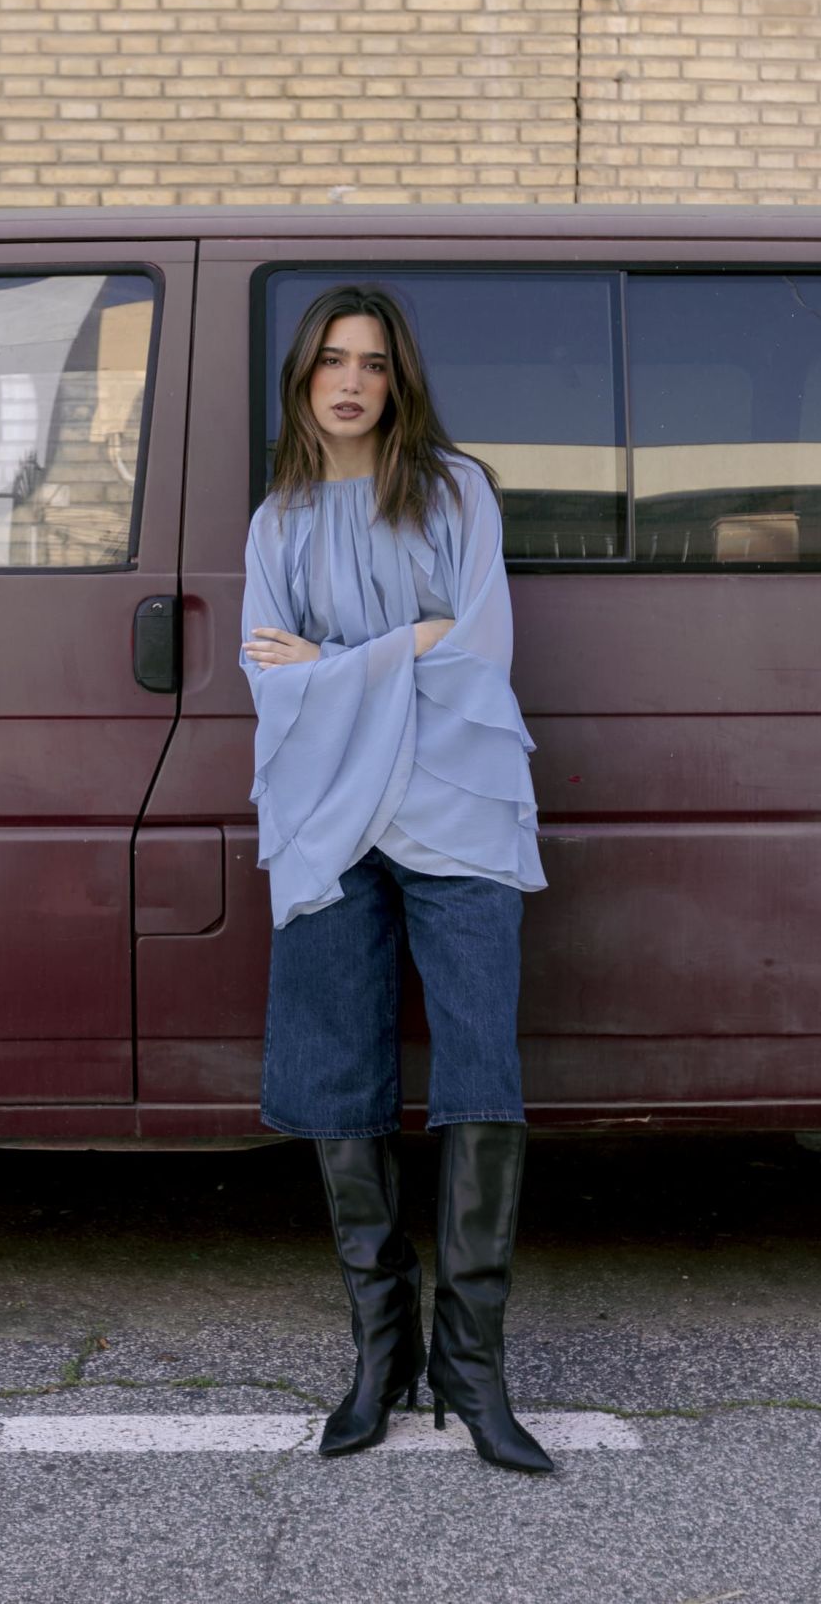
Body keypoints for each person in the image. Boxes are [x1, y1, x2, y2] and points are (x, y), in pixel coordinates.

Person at [238, 283, 553, 1475]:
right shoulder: (276, 521)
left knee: (481, 1068)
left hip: (457, 805)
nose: (352, 380)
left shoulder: (455, 489)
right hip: (329, 817)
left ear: (399, 376)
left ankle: (473, 1366)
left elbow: (477, 654)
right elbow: (269, 682)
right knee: (336, 1075)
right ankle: (384, 1354)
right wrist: (392, 652)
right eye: (332, 360)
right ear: (304, 379)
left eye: (373, 360)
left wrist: (334, 664)